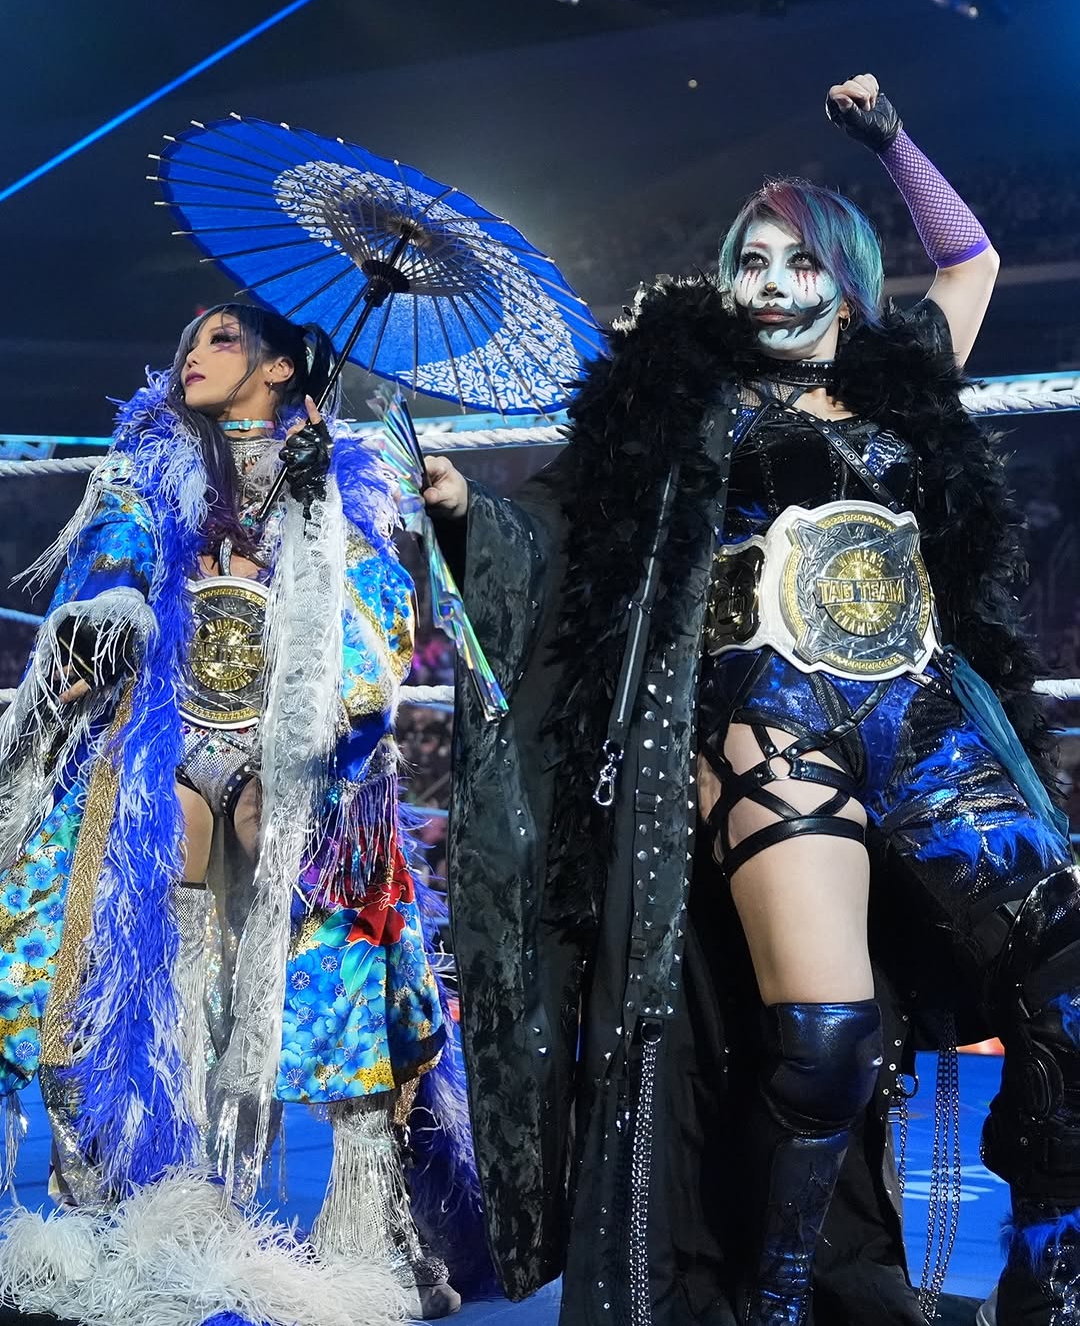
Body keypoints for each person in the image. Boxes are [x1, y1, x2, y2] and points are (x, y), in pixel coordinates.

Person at [424, 74, 1080, 1326]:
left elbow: (973, 259)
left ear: (848, 279)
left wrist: (893, 142)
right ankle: (778, 1302)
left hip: (926, 717)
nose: (773, 283)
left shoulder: (906, 375)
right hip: (764, 717)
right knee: (825, 1040)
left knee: (1071, 978)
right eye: (751, 261)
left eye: (800, 260)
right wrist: (463, 507)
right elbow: (563, 534)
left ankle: (1051, 1276)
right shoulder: (686, 408)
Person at [0, 304, 472, 1325]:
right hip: (166, 746)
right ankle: (148, 1204)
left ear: (282, 365)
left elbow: (379, 616)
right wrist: (115, 607)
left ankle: (364, 1227)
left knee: (335, 972)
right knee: (124, 963)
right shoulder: (148, 466)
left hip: (297, 764)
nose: (192, 356)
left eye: (221, 339)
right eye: (188, 342)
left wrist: (314, 538)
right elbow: (110, 561)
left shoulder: (341, 475)